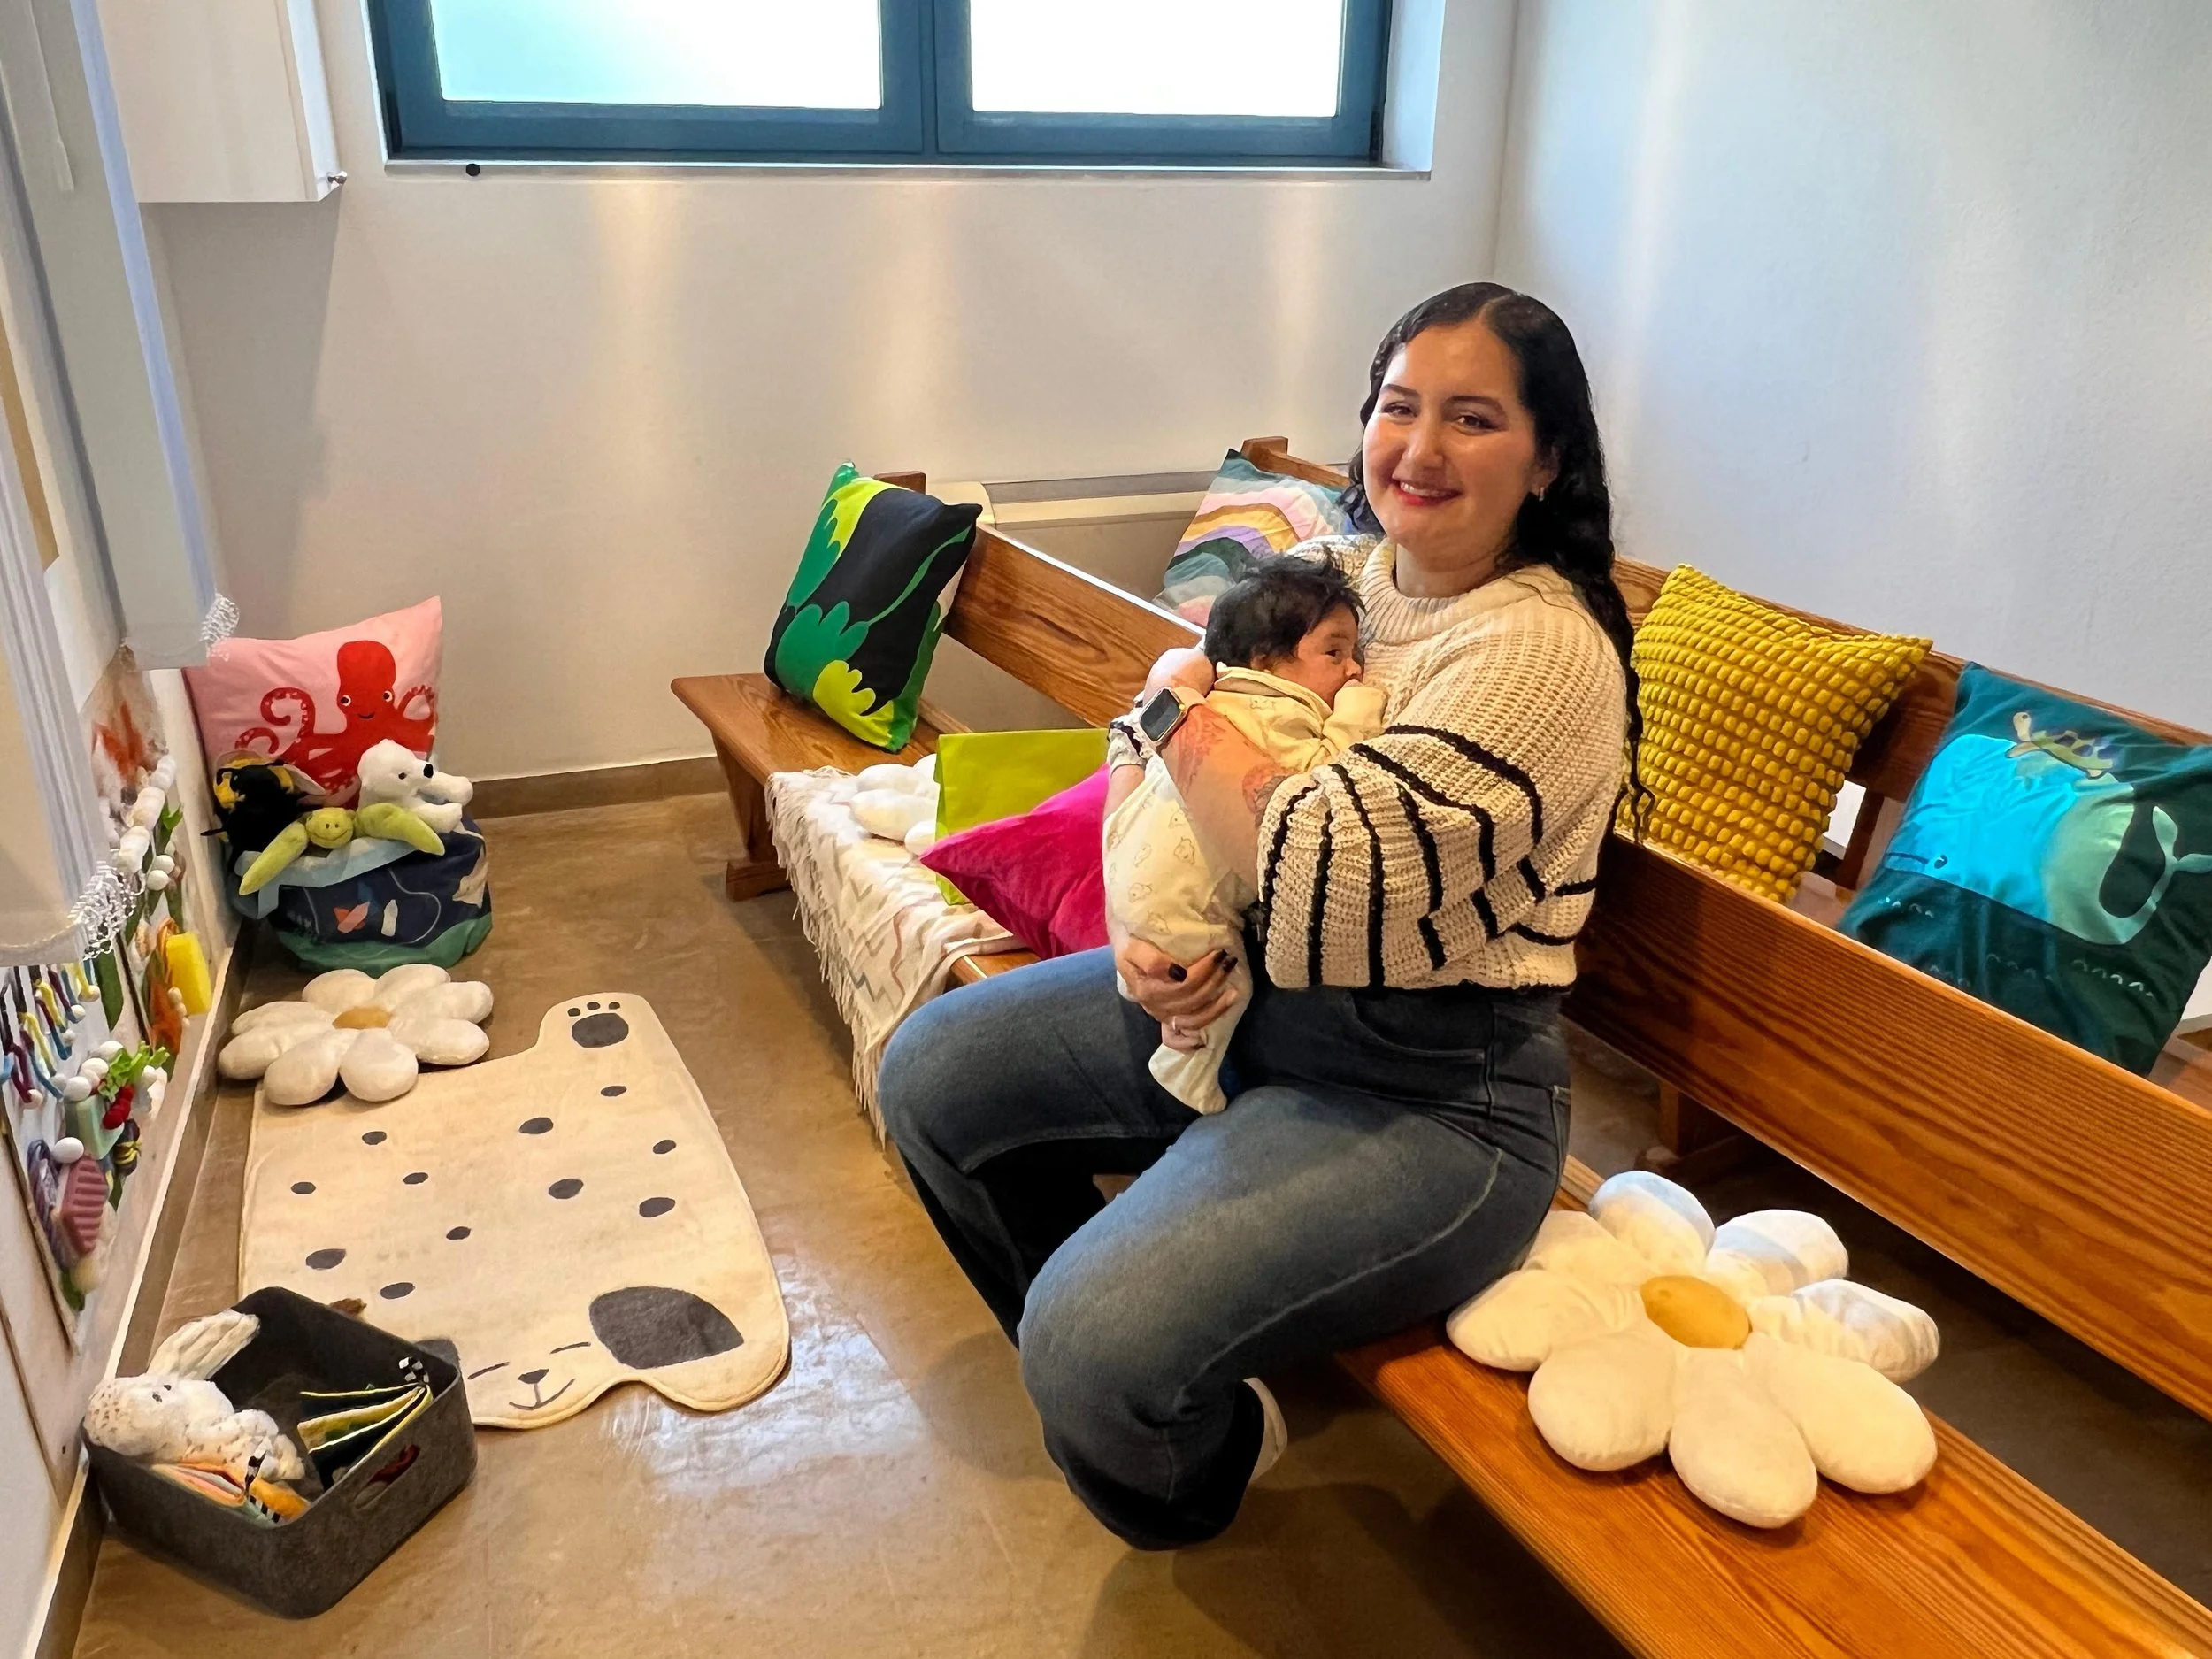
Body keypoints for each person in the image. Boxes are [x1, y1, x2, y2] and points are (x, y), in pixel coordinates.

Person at [879, 281, 1647, 1549]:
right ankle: (1155, 1358)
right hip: (1245, 1001)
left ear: (1548, 457)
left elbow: (1324, 890)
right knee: (934, 1073)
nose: (1421, 448)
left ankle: (1193, 1447)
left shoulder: (1535, 649)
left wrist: (1182, 712)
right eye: (1399, 407)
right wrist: (1143, 920)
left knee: (1086, 1340)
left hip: (1433, 1088)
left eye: (1474, 418)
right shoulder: (1341, 571)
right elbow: (1156, 716)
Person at [1104, 558, 1387, 1113]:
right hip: (1178, 926)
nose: (1354, 669)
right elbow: (1319, 781)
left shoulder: (1216, 697)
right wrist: (1359, 711)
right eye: (1335, 654)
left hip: (1132, 886)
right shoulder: (1278, 714)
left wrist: (1170, 683)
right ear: (1264, 661)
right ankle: (1186, 1069)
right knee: (1225, 989)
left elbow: (1143, 732)